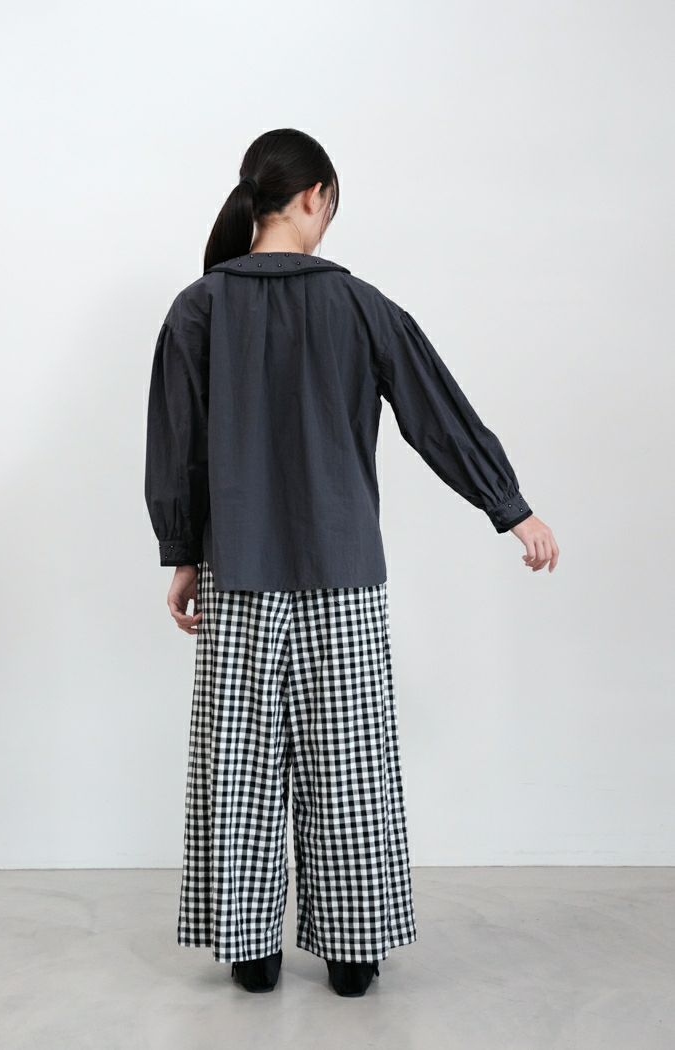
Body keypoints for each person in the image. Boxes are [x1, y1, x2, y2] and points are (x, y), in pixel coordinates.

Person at [144, 127, 559, 998]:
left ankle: (250, 953)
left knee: (240, 768)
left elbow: (178, 446)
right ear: (314, 197)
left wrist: (182, 555)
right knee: (351, 767)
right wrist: (509, 507)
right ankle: (353, 955)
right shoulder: (362, 306)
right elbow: (437, 413)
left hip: (237, 571)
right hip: (344, 574)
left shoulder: (197, 307)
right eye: (332, 204)